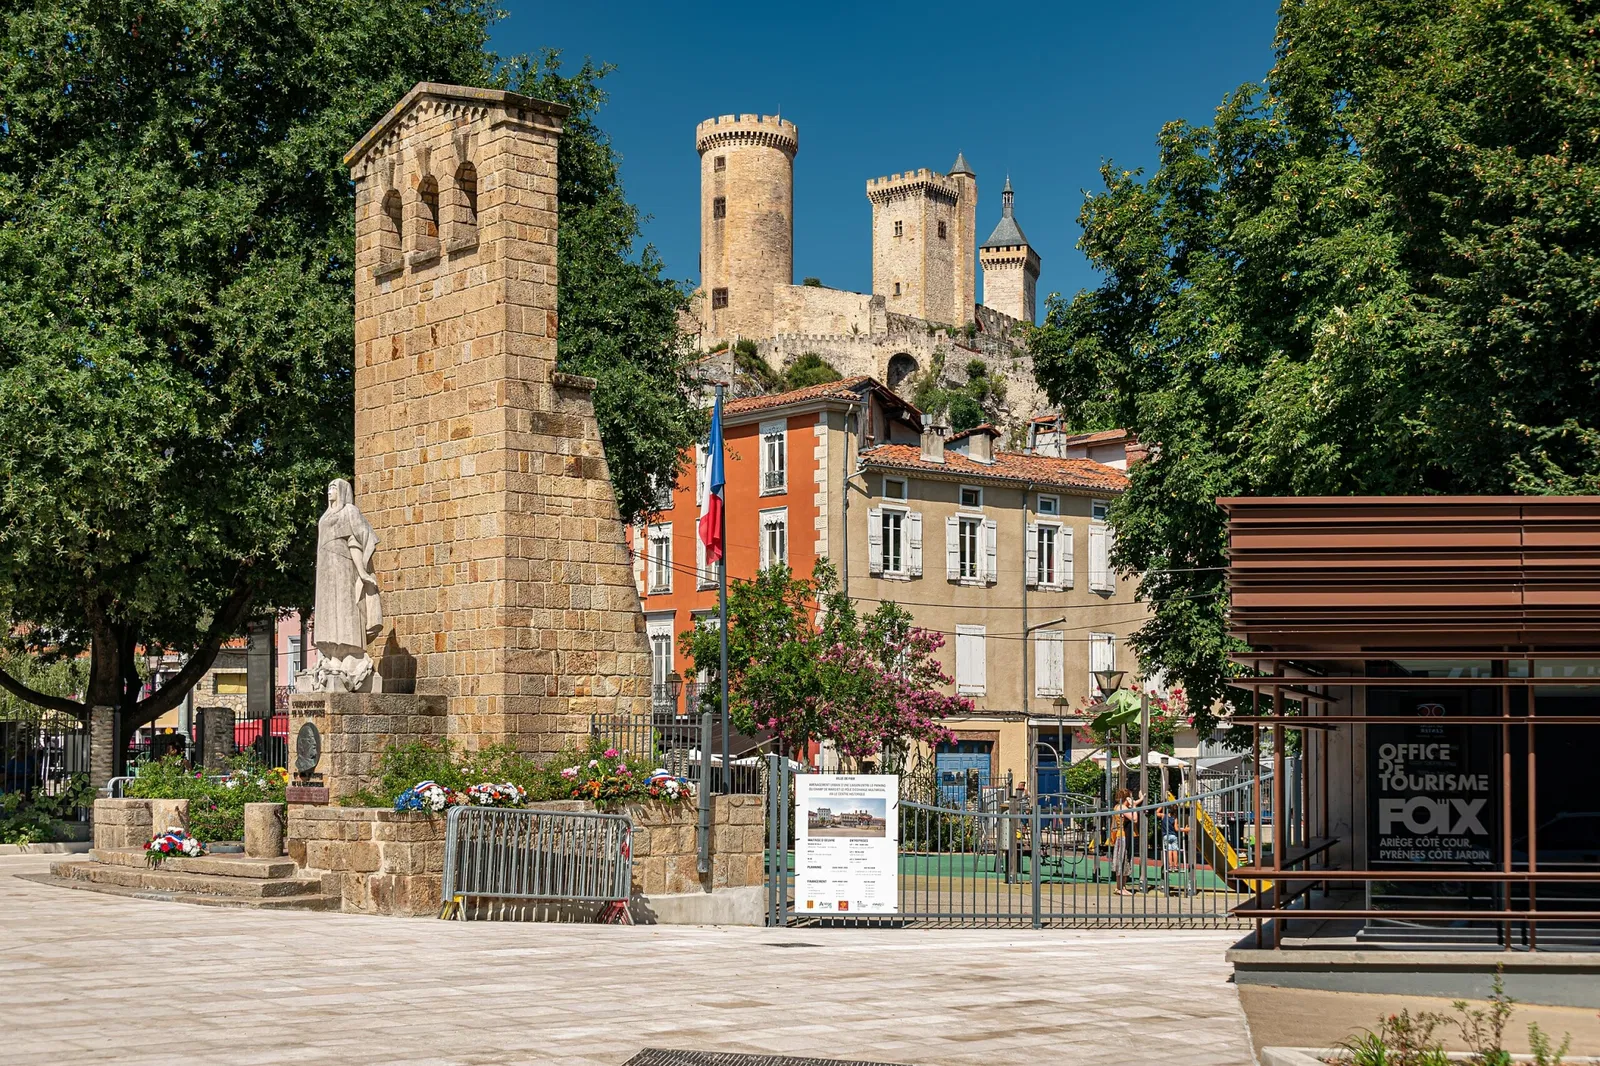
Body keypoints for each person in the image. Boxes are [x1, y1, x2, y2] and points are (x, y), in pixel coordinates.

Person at [1109, 788, 1138, 896]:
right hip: (1123, 836)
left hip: (1120, 836)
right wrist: (1134, 806)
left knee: (1124, 860)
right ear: (1126, 798)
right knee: (1122, 860)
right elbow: (1134, 819)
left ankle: (1122, 886)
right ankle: (1119, 887)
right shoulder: (1123, 807)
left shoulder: (1117, 806)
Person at [1158, 805, 1188, 895]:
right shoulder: (1175, 818)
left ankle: (1170, 866)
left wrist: (1160, 805)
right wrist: (1184, 829)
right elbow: (1176, 828)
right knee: (1175, 851)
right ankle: (1175, 865)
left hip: (1165, 836)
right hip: (1173, 836)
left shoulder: (1163, 816)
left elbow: (1156, 813)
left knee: (1169, 851)